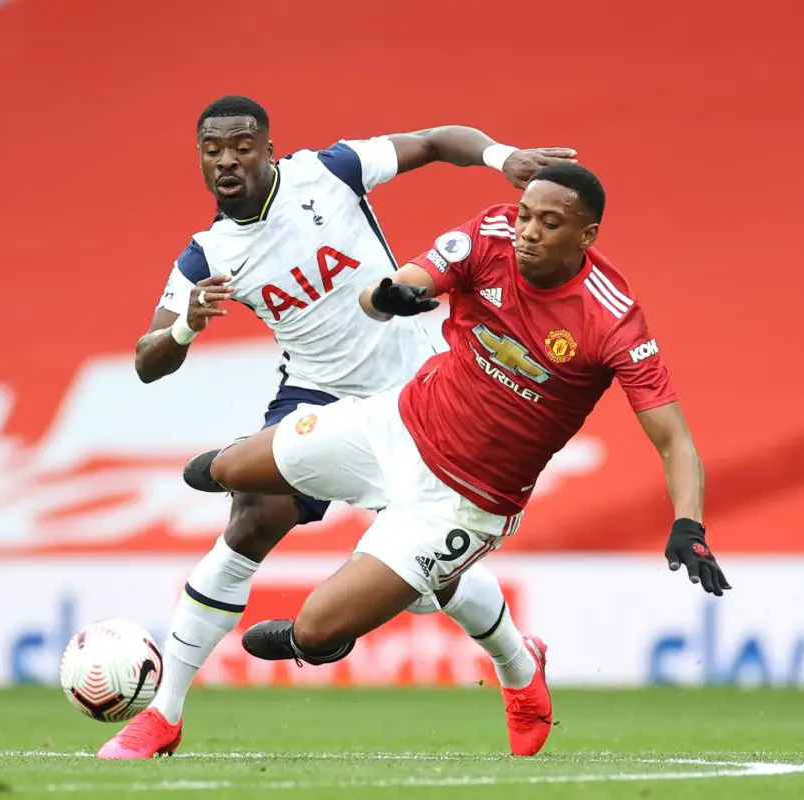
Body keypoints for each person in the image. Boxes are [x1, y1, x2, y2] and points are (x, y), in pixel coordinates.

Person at [182, 161, 732, 756]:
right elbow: (388, 290)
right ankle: (439, 587)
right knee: (223, 471)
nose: (527, 231)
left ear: (586, 236)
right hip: (395, 424)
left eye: (550, 223)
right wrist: (396, 293)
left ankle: (511, 662)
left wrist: (689, 522)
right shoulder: (491, 233)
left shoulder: (612, 318)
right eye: (525, 215)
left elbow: (673, 438)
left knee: (315, 632)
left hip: (463, 503)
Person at [99, 95, 579, 760]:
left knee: (429, 579)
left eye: (242, 146)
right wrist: (186, 324)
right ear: (202, 162)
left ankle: (519, 668)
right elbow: (149, 360)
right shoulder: (207, 255)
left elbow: (438, 138)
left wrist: (503, 157)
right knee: (250, 517)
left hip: (424, 389)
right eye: (213, 150)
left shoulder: (331, 171)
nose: (228, 160)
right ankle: (164, 713)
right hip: (318, 396)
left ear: (269, 148)